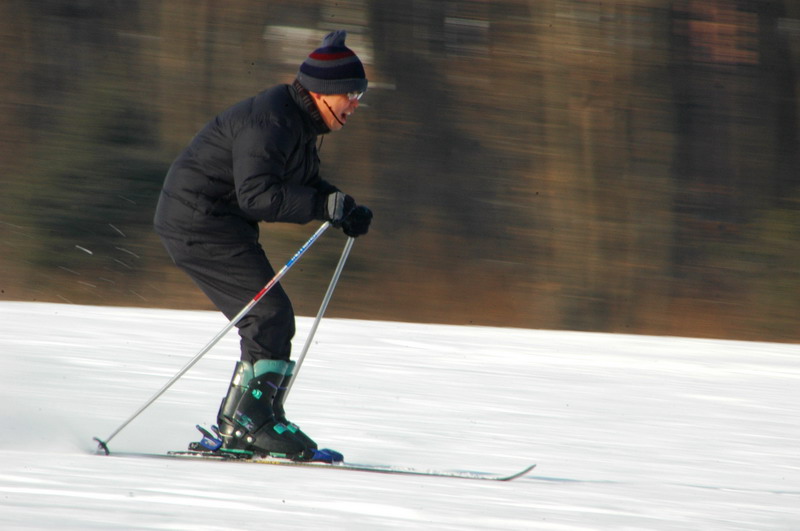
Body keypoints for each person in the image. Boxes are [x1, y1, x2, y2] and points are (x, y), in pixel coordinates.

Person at [153, 30, 372, 461]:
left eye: (360, 93)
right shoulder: (271, 121)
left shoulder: (297, 122)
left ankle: (253, 420)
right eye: (351, 93)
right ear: (323, 91)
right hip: (197, 222)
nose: (356, 103)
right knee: (269, 314)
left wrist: (343, 207)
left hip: (219, 222)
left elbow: (304, 183)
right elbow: (257, 194)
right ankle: (250, 424)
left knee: (269, 315)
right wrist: (321, 204)